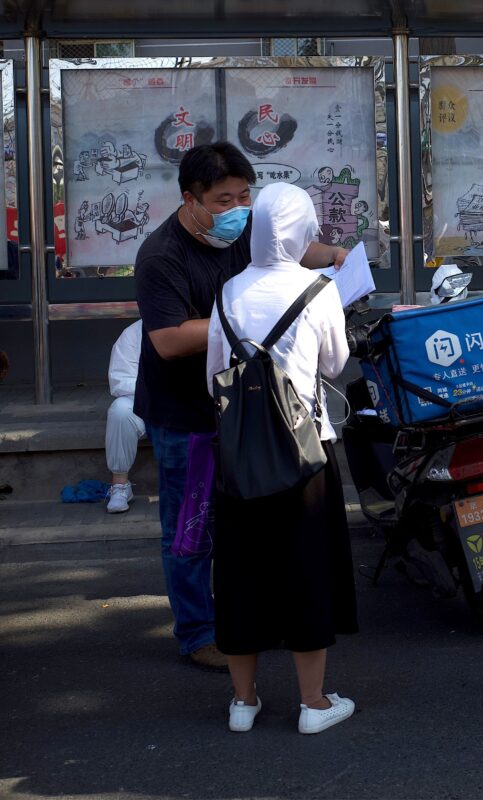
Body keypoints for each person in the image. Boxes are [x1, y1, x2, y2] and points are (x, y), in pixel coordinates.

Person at [134, 142, 346, 671]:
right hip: (188, 415)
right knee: (191, 527)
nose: (239, 208)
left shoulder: (244, 231)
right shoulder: (162, 256)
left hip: (251, 411)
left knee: (250, 527)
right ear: (192, 200)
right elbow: (166, 340)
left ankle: (251, 623)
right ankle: (197, 632)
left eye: (245, 196)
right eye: (225, 199)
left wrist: (338, 257)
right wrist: (246, 324)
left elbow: (296, 249)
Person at [205, 182, 358, 735]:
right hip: (304, 456)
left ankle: (242, 703)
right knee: (306, 572)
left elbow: (213, 380)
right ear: (301, 230)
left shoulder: (226, 292)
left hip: (239, 457)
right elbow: (336, 365)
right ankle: (312, 704)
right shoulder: (319, 289)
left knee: (241, 575)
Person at [105, 320, 145, 514]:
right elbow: (120, 381)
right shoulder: (133, 333)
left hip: (187, 404)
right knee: (120, 410)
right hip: (148, 403)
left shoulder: (195, 326)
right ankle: (120, 484)